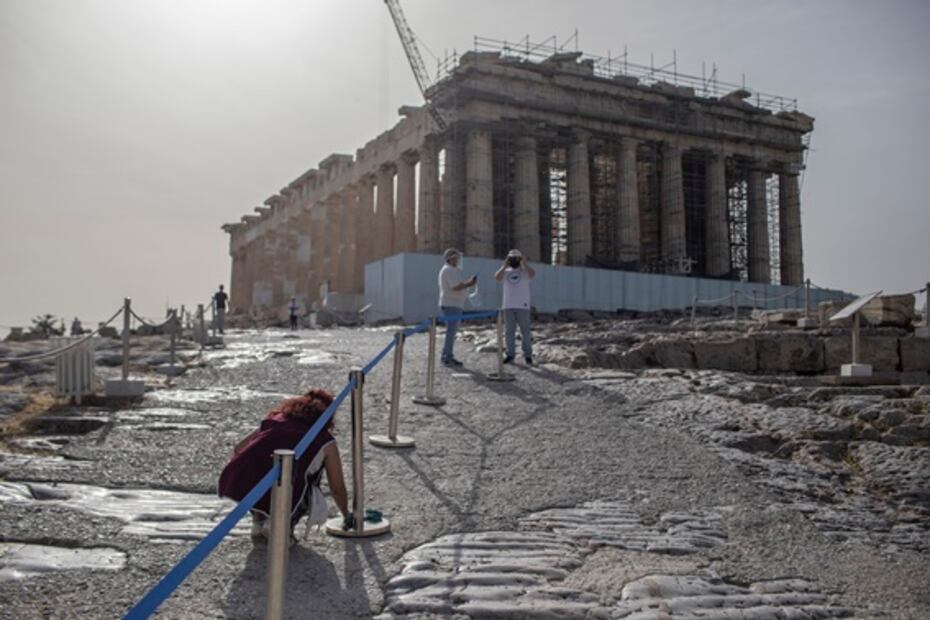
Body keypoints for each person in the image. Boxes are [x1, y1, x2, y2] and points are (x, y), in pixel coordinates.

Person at [218, 388, 352, 541]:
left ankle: (258, 523)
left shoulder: (273, 421)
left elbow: (239, 448)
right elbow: (337, 488)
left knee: (260, 472)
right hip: (292, 492)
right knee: (302, 480)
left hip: (250, 487)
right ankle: (282, 527)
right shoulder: (325, 440)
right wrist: (346, 514)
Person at [495, 249, 536, 365]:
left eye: (516, 258)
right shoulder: (506, 272)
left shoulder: (524, 272)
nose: (514, 260)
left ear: (520, 259)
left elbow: (533, 274)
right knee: (509, 332)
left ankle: (528, 355)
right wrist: (504, 266)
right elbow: (497, 277)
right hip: (508, 305)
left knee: (525, 332)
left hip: (523, 306)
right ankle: (510, 355)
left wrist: (525, 263)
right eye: (511, 258)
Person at [438, 248, 477, 366]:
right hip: (451, 305)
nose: (458, 260)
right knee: (451, 332)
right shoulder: (449, 270)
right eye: (456, 258)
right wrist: (469, 283)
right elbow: (455, 287)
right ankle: (447, 356)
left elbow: (458, 285)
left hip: (454, 304)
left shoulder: (451, 270)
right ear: (451, 259)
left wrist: (467, 283)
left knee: (452, 332)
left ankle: (447, 354)